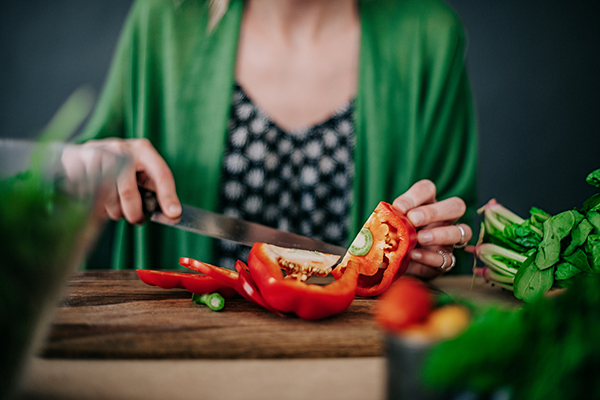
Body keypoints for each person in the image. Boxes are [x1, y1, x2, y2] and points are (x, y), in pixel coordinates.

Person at [78, 0, 478, 279]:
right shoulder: (164, 20)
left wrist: (439, 246)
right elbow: (65, 195)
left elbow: (456, 242)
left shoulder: (431, 37)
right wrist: (90, 172)